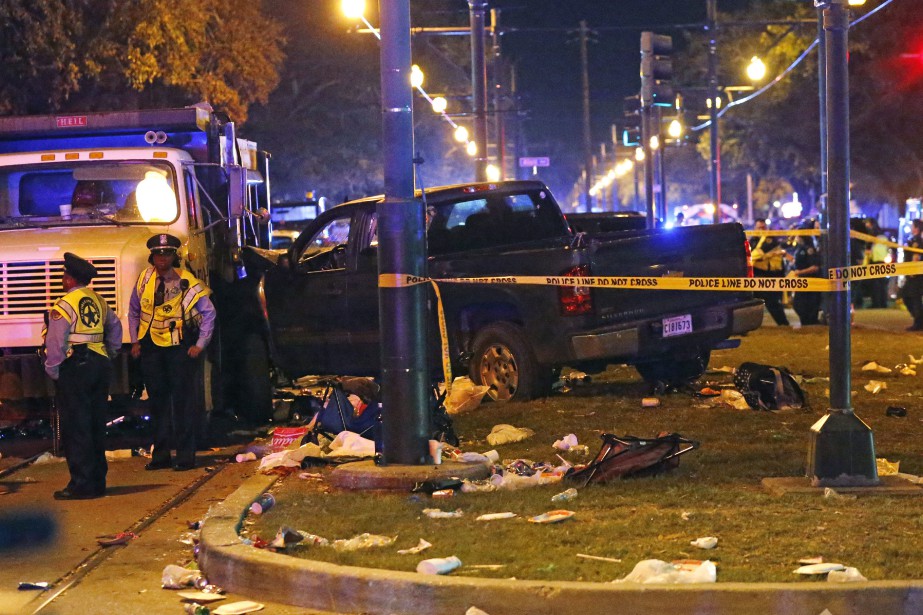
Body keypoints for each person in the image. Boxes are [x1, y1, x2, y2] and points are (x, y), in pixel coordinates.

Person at [129, 234, 216, 471]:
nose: (162, 259)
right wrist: (135, 340)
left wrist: (200, 343)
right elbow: (134, 310)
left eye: (166, 254)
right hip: (152, 349)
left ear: (174, 256)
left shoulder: (188, 282)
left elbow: (209, 313)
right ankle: (161, 455)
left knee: (183, 403)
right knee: (157, 404)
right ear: (152, 256)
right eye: (158, 254)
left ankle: (186, 456)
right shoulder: (145, 279)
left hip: (179, 349)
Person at [43, 253, 122, 500]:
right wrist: (110, 352)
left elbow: (55, 341)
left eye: (64, 276)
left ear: (70, 279)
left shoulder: (64, 305)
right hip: (100, 364)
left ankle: (81, 484)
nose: (63, 280)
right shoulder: (99, 301)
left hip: (75, 367)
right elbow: (115, 328)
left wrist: (53, 369)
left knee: (77, 427)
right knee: (95, 423)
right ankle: (97, 481)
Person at [749, 218, 790, 326]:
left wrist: (755, 259)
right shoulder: (753, 239)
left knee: (772, 303)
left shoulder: (769, 238)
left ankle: (784, 325)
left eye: (763, 227)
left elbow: (755, 255)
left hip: (771, 276)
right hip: (758, 275)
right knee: (752, 302)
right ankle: (750, 327)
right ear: (754, 228)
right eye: (759, 228)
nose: (761, 230)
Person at [789, 219, 823, 326]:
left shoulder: (809, 249)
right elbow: (798, 261)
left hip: (810, 281)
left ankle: (811, 325)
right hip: (801, 281)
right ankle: (807, 324)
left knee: (807, 305)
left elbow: (815, 267)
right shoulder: (799, 248)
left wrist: (800, 272)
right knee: (798, 304)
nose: (796, 237)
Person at [901, 219, 923, 331]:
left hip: (915, 274)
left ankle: (918, 322)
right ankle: (919, 320)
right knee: (908, 297)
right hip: (912, 273)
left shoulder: (917, 241)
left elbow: (916, 256)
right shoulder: (913, 239)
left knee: (913, 298)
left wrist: (912, 272)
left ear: (917, 228)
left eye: (912, 226)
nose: (910, 227)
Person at [865, 218, 890, 308]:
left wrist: (865, 263)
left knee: (875, 284)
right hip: (883, 261)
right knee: (882, 284)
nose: (866, 225)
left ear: (871, 224)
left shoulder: (872, 234)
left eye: (867, 223)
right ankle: (883, 303)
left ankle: (876, 303)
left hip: (875, 261)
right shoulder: (883, 234)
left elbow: (868, 250)